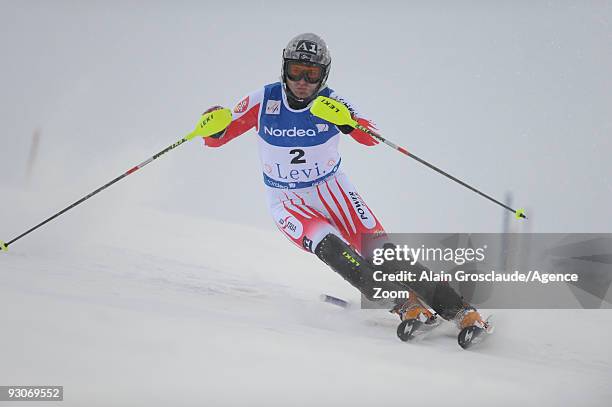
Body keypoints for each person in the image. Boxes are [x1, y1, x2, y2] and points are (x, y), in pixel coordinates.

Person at [201, 33, 488, 334]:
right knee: (338, 254)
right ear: (284, 69)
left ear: (323, 75)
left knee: (386, 257)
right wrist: (213, 125)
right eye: (295, 71)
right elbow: (216, 138)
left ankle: (463, 313)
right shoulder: (264, 100)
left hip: (333, 191)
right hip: (289, 202)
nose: (302, 81)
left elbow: (371, 138)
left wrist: (347, 121)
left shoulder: (332, 101)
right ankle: (405, 305)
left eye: (311, 74)